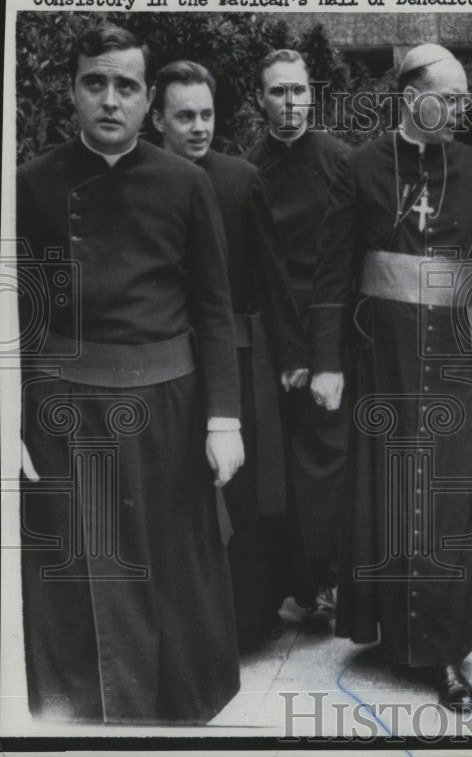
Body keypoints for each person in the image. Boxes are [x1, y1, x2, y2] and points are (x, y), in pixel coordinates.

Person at [17, 25, 242, 722]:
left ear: (148, 101)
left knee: (171, 579)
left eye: (125, 87)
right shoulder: (29, 184)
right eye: (95, 83)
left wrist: (224, 418)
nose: (109, 100)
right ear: (72, 91)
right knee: (79, 577)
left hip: (166, 409)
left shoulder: (186, 182)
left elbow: (214, 309)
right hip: (65, 410)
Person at [309, 44, 472, 711]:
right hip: (379, 362)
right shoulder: (359, 168)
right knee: (385, 495)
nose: (465, 110)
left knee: (442, 503)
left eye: (468, 98)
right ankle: (390, 628)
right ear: (413, 96)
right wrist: (325, 361)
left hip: (451, 368)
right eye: (454, 96)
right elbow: (329, 273)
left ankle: (441, 652)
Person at [151, 59, 314, 650]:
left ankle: (249, 617)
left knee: (242, 491)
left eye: (207, 114)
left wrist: (294, 353)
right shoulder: (141, 180)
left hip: (239, 358)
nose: (198, 127)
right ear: (158, 117)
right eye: (185, 116)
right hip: (166, 363)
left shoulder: (242, 180)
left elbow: (273, 275)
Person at [244, 49, 352, 619]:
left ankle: (331, 577)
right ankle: (290, 581)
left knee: (327, 455)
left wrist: (326, 348)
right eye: (278, 92)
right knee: (279, 459)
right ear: (259, 99)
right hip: (273, 328)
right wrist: (285, 347)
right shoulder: (248, 168)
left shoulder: (341, 161)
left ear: (313, 95)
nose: (290, 104)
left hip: (330, 325)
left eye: (299, 91)